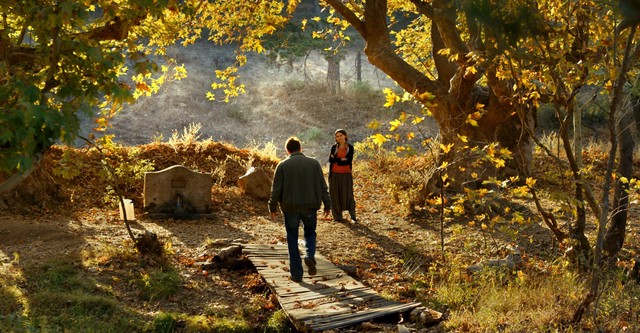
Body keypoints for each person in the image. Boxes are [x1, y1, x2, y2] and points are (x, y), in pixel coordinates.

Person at [269, 137, 331, 282]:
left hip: (290, 208)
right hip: (310, 207)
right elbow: (323, 186)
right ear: (300, 148)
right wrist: (327, 204)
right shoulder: (314, 163)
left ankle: (296, 274)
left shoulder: (283, 165)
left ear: (287, 150)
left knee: (292, 237)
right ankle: (309, 256)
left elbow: (276, 189)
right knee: (310, 233)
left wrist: (272, 206)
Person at [328, 129, 357, 223]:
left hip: (346, 174)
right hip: (334, 174)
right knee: (334, 194)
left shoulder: (350, 148)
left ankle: (353, 216)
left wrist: (337, 160)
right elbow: (331, 160)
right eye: (337, 136)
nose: (339, 137)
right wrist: (341, 160)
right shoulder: (334, 147)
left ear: (345, 136)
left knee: (348, 194)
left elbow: (348, 161)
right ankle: (337, 217)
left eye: (341, 135)